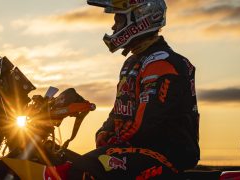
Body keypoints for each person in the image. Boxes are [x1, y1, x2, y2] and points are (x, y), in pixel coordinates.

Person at [46, 0, 200, 179]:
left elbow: (148, 121)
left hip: (164, 154)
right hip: (137, 149)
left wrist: (114, 141)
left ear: (140, 18)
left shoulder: (162, 62)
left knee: (83, 169)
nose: (113, 26)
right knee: (65, 161)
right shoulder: (133, 61)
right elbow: (122, 107)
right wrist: (105, 131)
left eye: (118, 19)